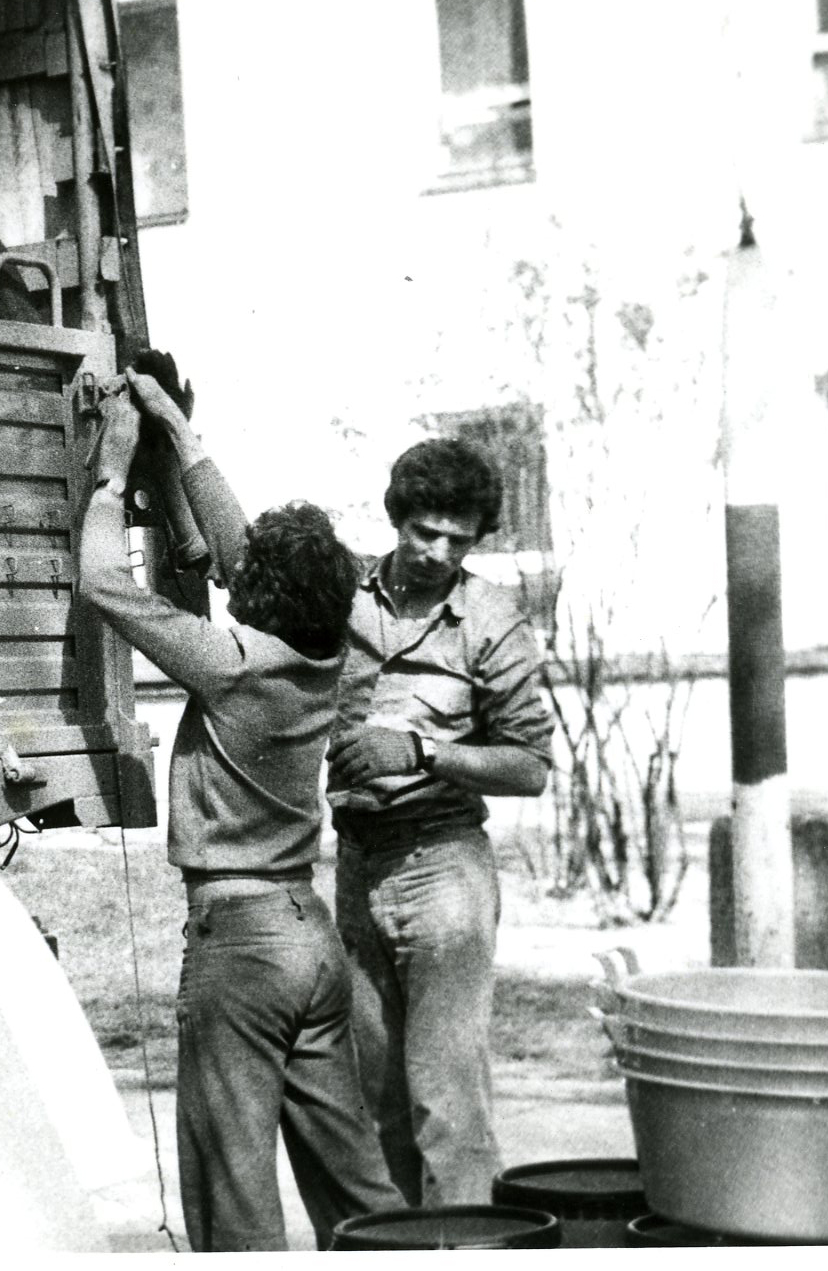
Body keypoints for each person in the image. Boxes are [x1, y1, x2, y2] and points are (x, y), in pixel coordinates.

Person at [79, 372, 402, 1251]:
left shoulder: (231, 664)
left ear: (258, 595)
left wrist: (112, 473)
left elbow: (103, 582)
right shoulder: (328, 650)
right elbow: (242, 554)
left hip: (241, 945)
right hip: (308, 936)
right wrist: (182, 436)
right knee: (356, 1181)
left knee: (233, 1194)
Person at [323, 439, 555, 1208]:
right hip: (357, 863)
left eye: (459, 539)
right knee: (376, 1099)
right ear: (397, 519)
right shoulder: (344, 598)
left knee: (447, 1102)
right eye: (426, 532)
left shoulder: (491, 617)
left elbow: (530, 764)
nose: (439, 552)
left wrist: (423, 750)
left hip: (443, 871)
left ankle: (471, 1246)